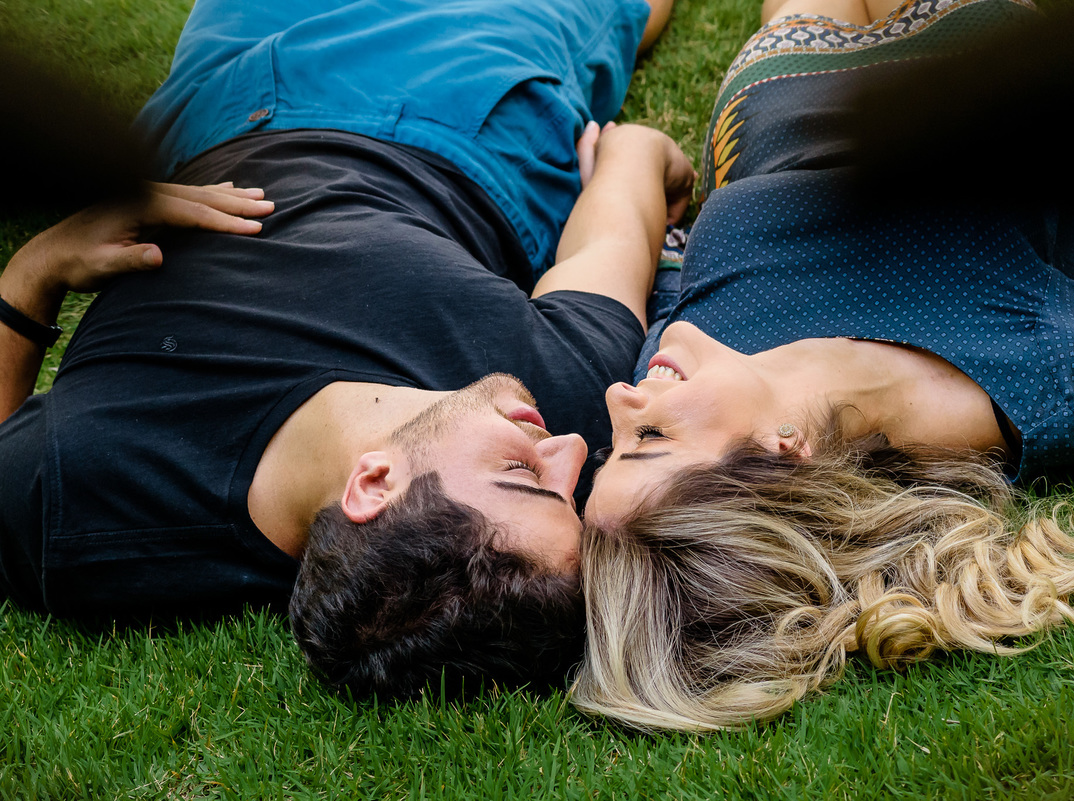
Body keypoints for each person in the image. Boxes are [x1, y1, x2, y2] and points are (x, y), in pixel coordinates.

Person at [0, 0, 693, 699]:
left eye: (522, 474)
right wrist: (639, 159)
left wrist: (33, 274)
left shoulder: (88, 489)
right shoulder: (554, 383)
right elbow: (626, 184)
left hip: (221, 106)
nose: (573, 448)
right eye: (569, 495)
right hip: (465, 112)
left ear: (374, 484)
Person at [569, 0, 1074, 730]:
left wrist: (638, 200)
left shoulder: (677, 362)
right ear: (782, 456)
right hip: (956, 74)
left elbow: (679, 284)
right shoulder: (1037, 382)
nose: (619, 396)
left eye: (616, 446)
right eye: (650, 439)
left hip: (769, 96)